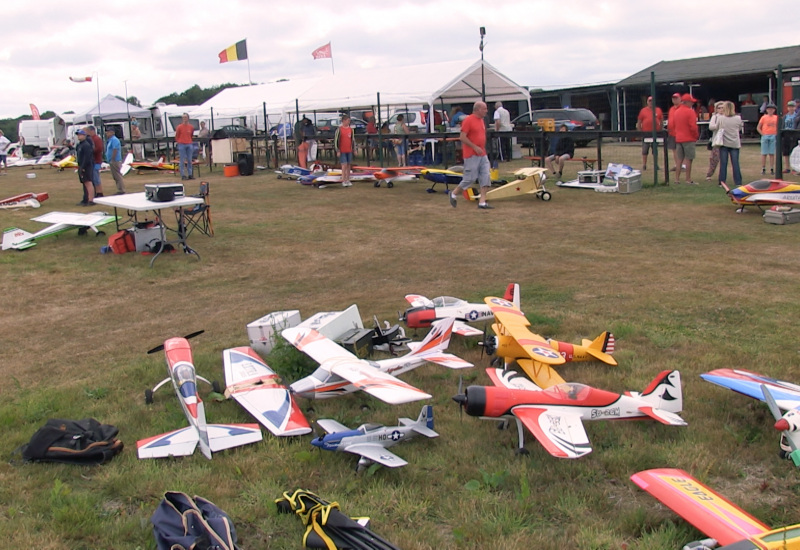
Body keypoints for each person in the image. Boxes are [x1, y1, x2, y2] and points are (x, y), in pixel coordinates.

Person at [449, 101, 493, 210]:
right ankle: (454, 193)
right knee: (470, 178)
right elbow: (462, 137)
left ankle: (482, 202)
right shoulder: (468, 120)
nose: (486, 111)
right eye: (484, 109)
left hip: (482, 153)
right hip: (471, 154)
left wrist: (481, 148)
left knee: (485, 175)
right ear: (478, 109)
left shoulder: (482, 120)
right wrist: (474, 147)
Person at [710, 101, 743, 188]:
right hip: (735, 143)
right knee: (735, 163)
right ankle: (738, 181)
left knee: (723, 163)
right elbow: (739, 128)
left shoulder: (721, 118)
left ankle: (722, 181)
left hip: (724, 143)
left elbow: (716, 127)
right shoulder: (738, 118)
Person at [673, 94, 700, 185]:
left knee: (679, 159)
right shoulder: (690, 112)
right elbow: (693, 127)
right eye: (691, 101)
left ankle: (677, 179)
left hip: (679, 138)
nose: (692, 103)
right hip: (688, 138)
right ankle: (688, 179)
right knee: (689, 159)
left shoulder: (676, 111)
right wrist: (696, 136)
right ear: (687, 102)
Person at [636, 96, 664, 171]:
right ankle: (644, 165)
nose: (651, 102)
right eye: (650, 101)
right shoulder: (643, 111)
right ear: (647, 102)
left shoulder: (658, 110)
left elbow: (661, 121)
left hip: (655, 133)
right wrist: (640, 132)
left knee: (655, 150)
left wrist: (660, 131)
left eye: (652, 101)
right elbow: (639, 122)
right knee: (645, 150)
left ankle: (656, 165)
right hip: (646, 133)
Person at [757, 103, 778, 175]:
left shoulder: (776, 117)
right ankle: (763, 168)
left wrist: (776, 134)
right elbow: (758, 127)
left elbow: (778, 126)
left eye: (772, 109)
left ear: (774, 110)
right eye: (769, 109)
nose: (770, 110)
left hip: (773, 135)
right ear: (766, 110)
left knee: (772, 153)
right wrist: (763, 134)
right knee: (764, 153)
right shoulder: (764, 117)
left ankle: (772, 168)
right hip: (765, 135)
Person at [706, 101, 725, 181]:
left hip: (726, 140)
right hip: (716, 141)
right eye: (719, 108)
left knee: (724, 159)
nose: (720, 109)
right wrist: (718, 125)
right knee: (714, 159)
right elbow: (711, 127)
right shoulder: (715, 117)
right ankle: (709, 175)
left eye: (722, 108)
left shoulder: (727, 116)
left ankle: (722, 176)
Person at [75, 129, 95, 205]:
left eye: (80, 135)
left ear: (84, 135)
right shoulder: (80, 145)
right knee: (84, 182)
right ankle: (85, 198)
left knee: (88, 182)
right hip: (81, 165)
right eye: (78, 135)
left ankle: (91, 200)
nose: (79, 136)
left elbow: (87, 157)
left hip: (86, 166)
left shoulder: (86, 145)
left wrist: (83, 166)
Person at [334, 114, 354, 187]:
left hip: (349, 150)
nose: (349, 122)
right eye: (348, 120)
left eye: (349, 120)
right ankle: (344, 180)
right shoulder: (339, 130)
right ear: (343, 121)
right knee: (344, 165)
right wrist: (338, 150)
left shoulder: (351, 130)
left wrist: (354, 149)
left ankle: (348, 179)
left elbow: (352, 140)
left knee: (348, 165)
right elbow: (336, 141)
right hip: (342, 150)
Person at [104, 126, 126, 194]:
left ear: (112, 132)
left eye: (108, 132)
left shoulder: (114, 140)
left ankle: (121, 190)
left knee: (117, 175)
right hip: (112, 160)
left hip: (115, 160)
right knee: (115, 176)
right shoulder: (110, 140)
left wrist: (113, 159)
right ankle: (119, 188)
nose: (106, 133)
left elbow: (115, 149)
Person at [86, 125, 105, 197]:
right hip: (93, 160)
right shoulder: (91, 138)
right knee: (94, 177)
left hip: (96, 160)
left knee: (96, 177)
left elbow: (100, 148)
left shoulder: (97, 139)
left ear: (92, 131)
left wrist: (91, 150)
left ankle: (100, 192)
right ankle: (97, 192)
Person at [175, 113, 195, 180]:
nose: (184, 119)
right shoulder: (179, 127)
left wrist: (189, 140)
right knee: (182, 160)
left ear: (188, 118)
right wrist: (179, 142)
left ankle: (190, 174)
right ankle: (183, 175)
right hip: (182, 144)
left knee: (189, 160)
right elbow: (177, 135)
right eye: (183, 117)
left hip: (189, 143)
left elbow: (191, 134)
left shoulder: (191, 127)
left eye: (185, 117)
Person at [666, 93, 681, 171]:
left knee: (681, 149)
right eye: (673, 98)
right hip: (672, 133)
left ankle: (683, 165)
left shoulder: (682, 108)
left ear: (680, 99)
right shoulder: (671, 109)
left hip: (680, 132)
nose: (674, 100)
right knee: (674, 150)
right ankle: (677, 165)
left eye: (676, 98)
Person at [782, 101, 797, 174]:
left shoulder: (796, 116)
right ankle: (787, 167)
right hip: (786, 133)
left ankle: (794, 168)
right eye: (789, 107)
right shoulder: (785, 116)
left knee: (793, 151)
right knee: (786, 151)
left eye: (792, 107)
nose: (791, 108)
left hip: (794, 133)